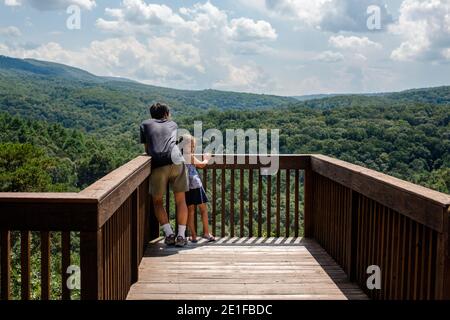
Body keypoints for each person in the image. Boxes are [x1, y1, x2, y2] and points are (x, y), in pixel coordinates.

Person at [140, 103, 189, 247]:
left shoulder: (145, 124)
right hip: (177, 161)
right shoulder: (172, 124)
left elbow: (147, 148)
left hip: (159, 164)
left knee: (157, 201)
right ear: (166, 114)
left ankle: (169, 234)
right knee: (181, 200)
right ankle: (181, 236)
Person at [181, 134, 216, 243]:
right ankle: (206, 233)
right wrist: (206, 159)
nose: (192, 149)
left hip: (186, 186)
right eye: (191, 146)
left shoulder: (179, 155)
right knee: (203, 210)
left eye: (193, 147)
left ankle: (194, 236)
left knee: (191, 211)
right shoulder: (189, 156)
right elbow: (201, 165)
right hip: (195, 185)